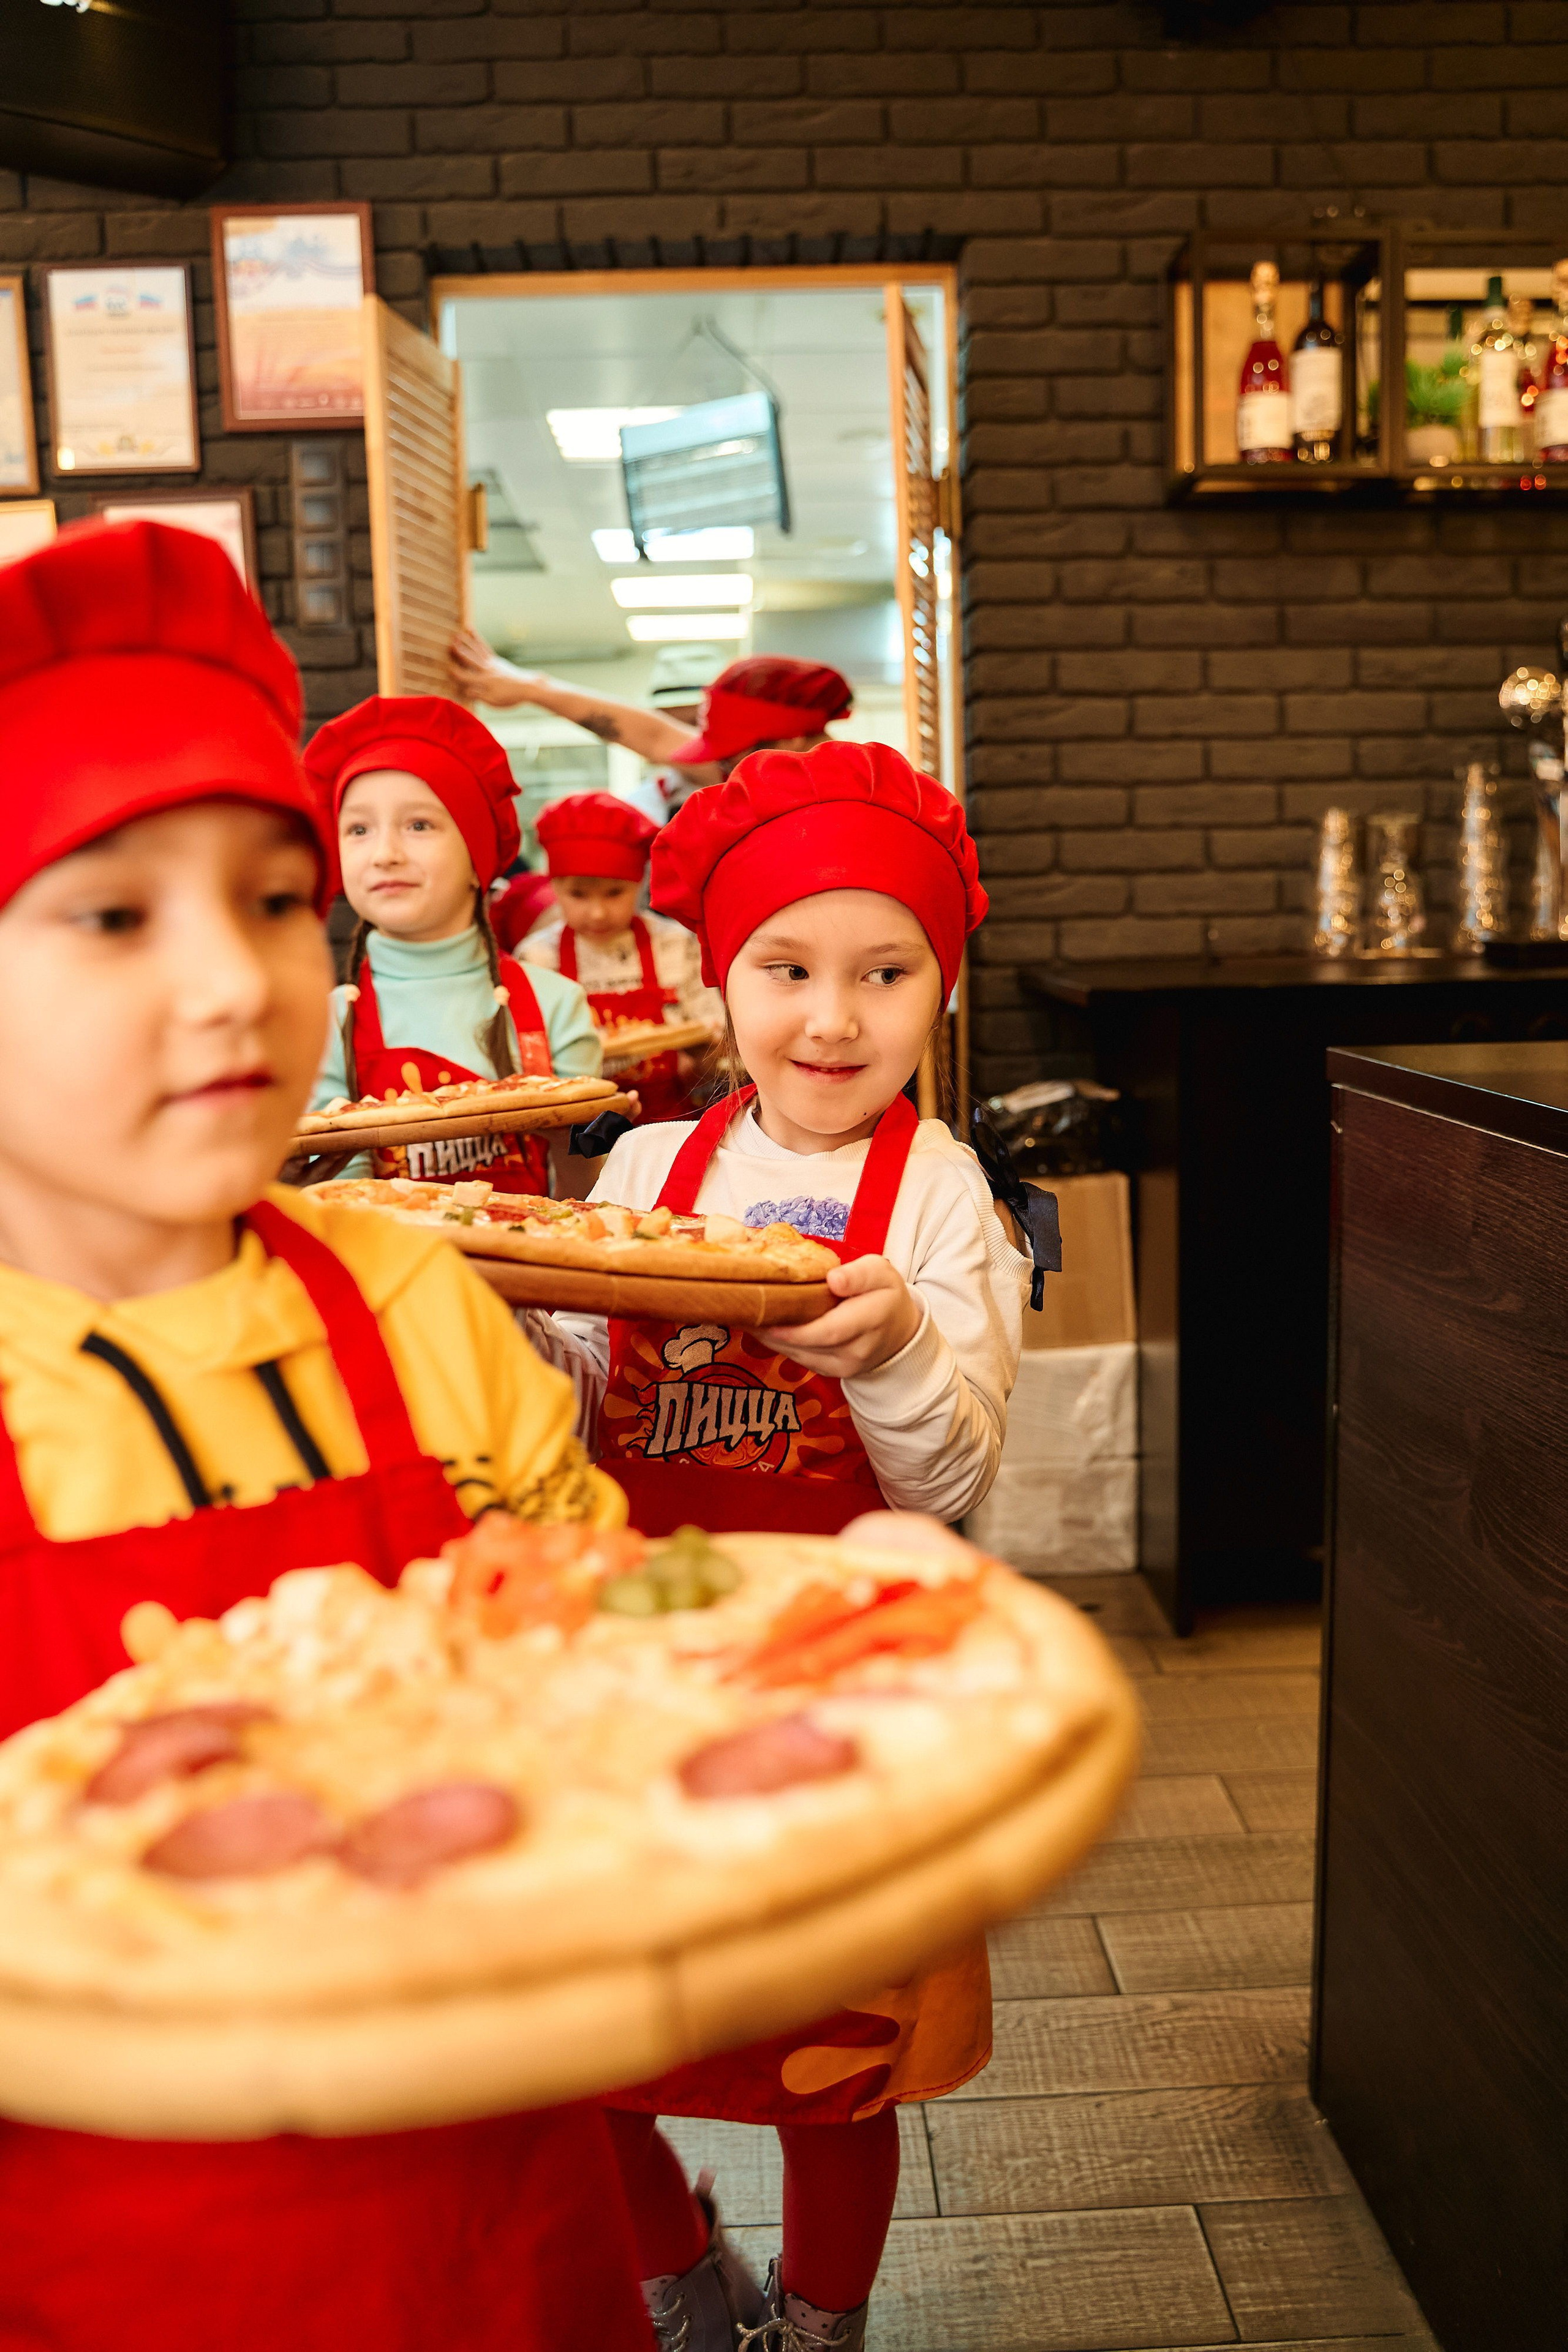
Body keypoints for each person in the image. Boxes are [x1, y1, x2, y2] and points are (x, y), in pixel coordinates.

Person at [0, 519, 652, 2352]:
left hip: (502, 2224)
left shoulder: (411, 1297)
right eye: (115, 909)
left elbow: (594, 1678)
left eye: (275, 897)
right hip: (105, 2265)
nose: (234, 983)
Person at [530, 740, 1027, 2352]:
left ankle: (821, 2326)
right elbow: (572, 1412)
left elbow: (950, 1477)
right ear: (717, 978)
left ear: (940, 990)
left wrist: (886, 1351)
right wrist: (503, 1330)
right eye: (787, 969)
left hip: (850, 1696)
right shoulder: (644, 1173)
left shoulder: (948, 1200)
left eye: (885, 974)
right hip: (645, 1686)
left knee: (839, 2049)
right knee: (582, 2030)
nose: (833, 1019)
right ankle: (683, 2283)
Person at [303, 695, 600, 1189]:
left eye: (419, 825)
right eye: (358, 829)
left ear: (477, 857)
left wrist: (582, 1137)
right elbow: (338, 1196)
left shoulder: (556, 1005)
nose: (385, 854)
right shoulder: (324, 1024)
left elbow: (597, 1189)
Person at [450, 629, 854, 802]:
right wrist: (533, 690)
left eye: (731, 753)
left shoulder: (866, 791)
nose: (725, 767)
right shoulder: (769, 770)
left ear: (794, 738)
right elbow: (654, 738)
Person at [522, 791, 721, 1125]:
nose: (597, 913)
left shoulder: (675, 945)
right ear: (554, 887)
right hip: (579, 1129)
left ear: (640, 883)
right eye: (578, 895)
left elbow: (718, 1043)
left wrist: (704, 1056)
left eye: (615, 893)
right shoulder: (537, 958)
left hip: (671, 1124)